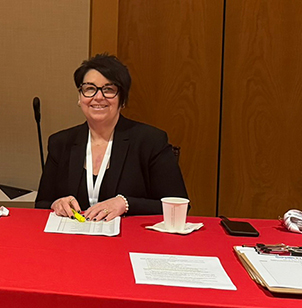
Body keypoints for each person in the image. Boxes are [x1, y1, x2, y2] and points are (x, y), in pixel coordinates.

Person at [34, 54, 188, 220]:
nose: (98, 97)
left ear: (122, 99)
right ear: (80, 97)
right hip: (72, 240)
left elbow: (178, 206)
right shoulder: (61, 142)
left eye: (108, 89)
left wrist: (125, 204)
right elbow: (42, 203)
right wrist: (56, 204)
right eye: (89, 88)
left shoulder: (150, 141)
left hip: (128, 240)